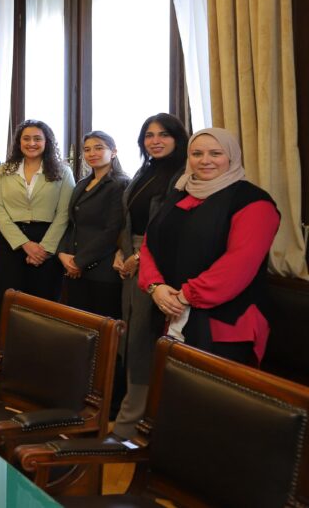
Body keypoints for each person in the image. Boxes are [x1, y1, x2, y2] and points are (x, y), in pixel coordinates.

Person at [139, 128, 278, 367]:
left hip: (224, 325)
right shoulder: (180, 193)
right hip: (169, 312)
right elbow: (150, 242)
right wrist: (155, 286)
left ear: (231, 156)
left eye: (215, 153)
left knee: (210, 390)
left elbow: (239, 264)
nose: (205, 161)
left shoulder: (254, 201)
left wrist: (185, 296)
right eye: (197, 154)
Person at [110, 113, 187, 439]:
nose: (155, 141)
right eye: (149, 135)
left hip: (159, 265)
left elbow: (173, 228)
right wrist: (122, 252)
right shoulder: (145, 170)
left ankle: (129, 426)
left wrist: (140, 256)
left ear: (178, 138)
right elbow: (128, 219)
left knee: (143, 339)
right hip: (131, 260)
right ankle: (135, 421)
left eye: (163, 135)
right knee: (130, 337)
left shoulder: (184, 175)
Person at [0, 119, 74, 308]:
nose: (31, 143)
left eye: (37, 138)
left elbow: (64, 213)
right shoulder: (2, 171)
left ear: (47, 142)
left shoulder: (63, 171)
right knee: (6, 301)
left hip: (48, 242)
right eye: (26, 138)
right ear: (19, 142)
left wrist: (45, 248)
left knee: (43, 303)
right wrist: (24, 244)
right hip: (10, 242)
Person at [57, 131, 129, 318]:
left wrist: (79, 262)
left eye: (99, 148)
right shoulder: (82, 183)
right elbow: (72, 223)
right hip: (74, 268)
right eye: (87, 149)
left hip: (103, 271)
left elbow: (112, 231)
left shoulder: (120, 184)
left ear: (113, 152)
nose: (92, 153)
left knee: (103, 326)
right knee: (77, 325)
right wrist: (63, 254)